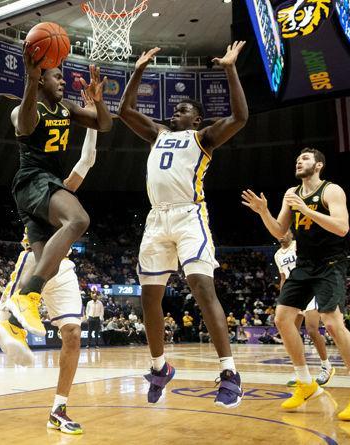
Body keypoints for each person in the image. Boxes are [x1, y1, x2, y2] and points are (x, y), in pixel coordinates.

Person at [0, 116, 100, 435]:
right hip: (32, 262)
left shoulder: (63, 190)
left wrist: (94, 117)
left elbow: (88, 159)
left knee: (72, 334)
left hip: (63, 268)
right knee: (1, 327)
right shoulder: (33, 190)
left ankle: (59, 409)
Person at [118, 42, 249, 408]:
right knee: (149, 298)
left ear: (197, 119)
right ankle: (160, 367)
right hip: (157, 218)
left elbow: (240, 118)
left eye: (185, 109)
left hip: (190, 215)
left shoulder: (203, 138)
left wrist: (229, 69)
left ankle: (229, 372)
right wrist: (139, 69)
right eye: (176, 109)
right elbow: (125, 110)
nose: (177, 111)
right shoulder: (157, 133)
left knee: (201, 287)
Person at [242, 147, 350, 420]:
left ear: (318, 165)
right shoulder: (291, 193)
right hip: (304, 265)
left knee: (332, 323)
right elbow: (280, 231)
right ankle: (305, 382)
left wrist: (307, 209)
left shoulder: (332, 191)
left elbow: (342, 228)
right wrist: (263, 212)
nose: (299, 161)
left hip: (331, 263)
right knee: (282, 319)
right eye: (297, 159)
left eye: (305, 158)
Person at [4, 43, 112, 338]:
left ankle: (15, 313)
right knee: (78, 220)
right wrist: (29, 79)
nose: (63, 81)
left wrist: (99, 101)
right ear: (41, 79)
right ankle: (28, 295)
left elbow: (104, 124)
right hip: (33, 180)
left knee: (48, 264)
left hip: (42, 187)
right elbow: (24, 127)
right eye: (57, 76)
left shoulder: (66, 108)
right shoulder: (24, 109)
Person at [274, 231, 334, 387]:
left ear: (291, 234)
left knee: (312, 330)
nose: (281, 235)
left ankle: (326, 366)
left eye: (284, 232)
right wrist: (283, 299)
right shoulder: (278, 255)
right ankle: (300, 371)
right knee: (290, 333)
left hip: (309, 288)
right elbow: (283, 278)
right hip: (293, 294)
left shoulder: (298, 245)